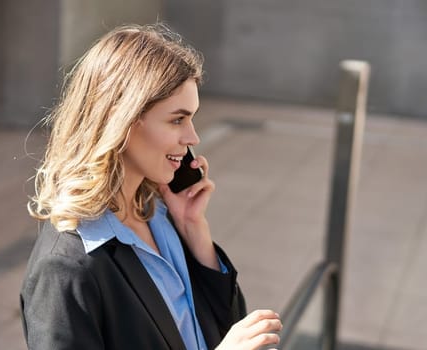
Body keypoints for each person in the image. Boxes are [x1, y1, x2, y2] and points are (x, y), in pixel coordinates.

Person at [20, 24, 282, 350]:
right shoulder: (64, 269)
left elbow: (224, 326)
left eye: (192, 119)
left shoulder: (159, 212)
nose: (192, 138)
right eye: (177, 120)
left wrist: (193, 228)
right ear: (122, 120)